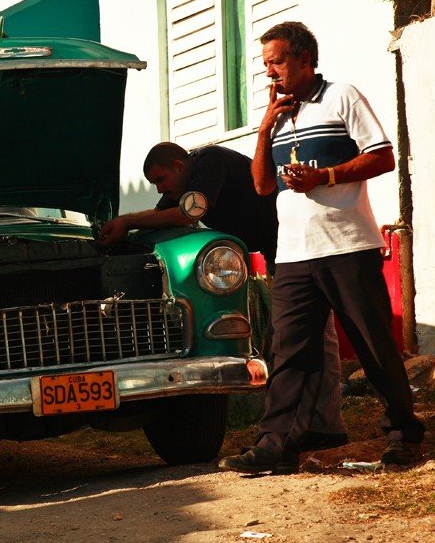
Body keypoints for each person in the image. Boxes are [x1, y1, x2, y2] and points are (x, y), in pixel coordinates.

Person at [218, 21, 424, 475]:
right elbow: (261, 184)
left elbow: (384, 155)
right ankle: (278, 444)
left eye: (277, 62)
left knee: (373, 344)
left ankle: (403, 435)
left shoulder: (341, 97)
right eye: (265, 65)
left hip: (347, 244)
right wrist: (263, 129)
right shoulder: (277, 115)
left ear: (306, 59)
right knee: (290, 350)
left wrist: (324, 177)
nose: (270, 72)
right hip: (293, 252)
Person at [99, 142, 348, 451]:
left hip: (301, 248)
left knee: (308, 338)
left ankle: (323, 429)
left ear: (180, 166)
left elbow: (190, 213)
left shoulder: (210, 161)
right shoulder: (184, 188)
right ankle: (307, 428)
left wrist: (129, 221)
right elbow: (161, 215)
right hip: (283, 254)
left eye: (161, 179)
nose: (160, 189)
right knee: (289, 340)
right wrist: (123, 227)